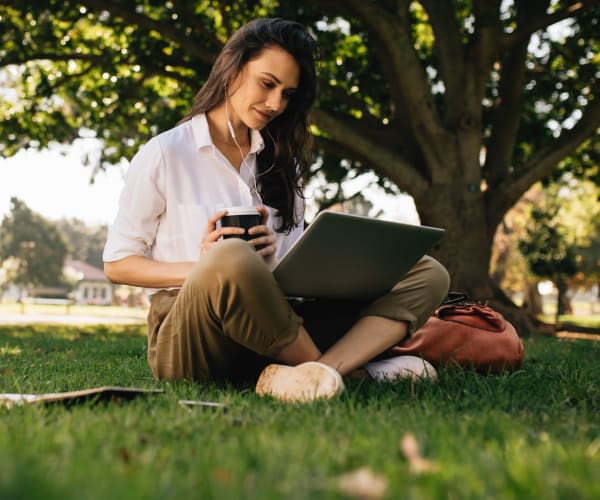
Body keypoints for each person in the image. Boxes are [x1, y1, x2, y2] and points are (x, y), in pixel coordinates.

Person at [103, 18, 450, 403]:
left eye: (287, 94)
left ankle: (311, 377)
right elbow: (118, 264)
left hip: (275, 327)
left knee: (427, 272)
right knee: (230, 256)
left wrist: (278, 259)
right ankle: (346, 374)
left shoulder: (283, 163)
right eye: (267, 84)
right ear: (232, 69)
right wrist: (206, 266)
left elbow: (292, 275)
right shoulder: (166, 153)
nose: (275, 104)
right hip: (193, 339)